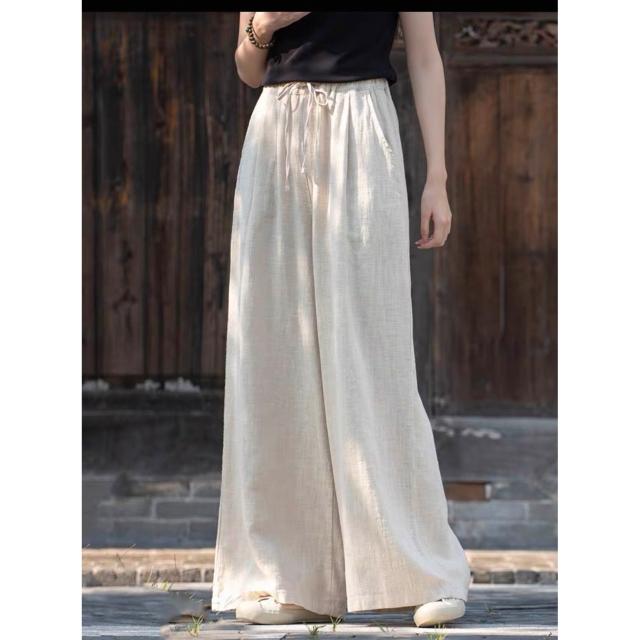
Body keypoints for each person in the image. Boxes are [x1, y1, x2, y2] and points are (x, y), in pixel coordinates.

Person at [211, 11, 470, 628]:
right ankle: (292, 578)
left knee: (373, 349)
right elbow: (248, 68)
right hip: (276, 132)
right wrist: (266, 24)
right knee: (276, 354)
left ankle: (426, 570)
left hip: (361, 123)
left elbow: (425, 57)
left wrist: (436, 178)